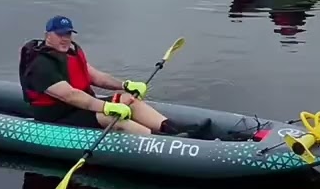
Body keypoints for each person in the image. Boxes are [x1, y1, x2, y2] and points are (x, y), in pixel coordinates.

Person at [19, 16, 199, 136]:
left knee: (128, 99)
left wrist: (125, 85)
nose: (65, 38)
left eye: (68, 34)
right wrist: (107, 107)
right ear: (47, 36)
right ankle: (162, 142)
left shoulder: (70, 51)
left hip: (81, 108)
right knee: (114, 117)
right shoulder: (40, 66)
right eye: (60, 35)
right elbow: (71, 96)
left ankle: (173, 130)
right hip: (58, 116)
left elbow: (96, 77)